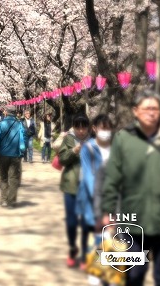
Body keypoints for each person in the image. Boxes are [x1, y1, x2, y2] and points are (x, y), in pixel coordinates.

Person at [101, 89, 160, 286]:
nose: (151, 113)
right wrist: (108, 212)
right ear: (136, 111)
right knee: (134, 275)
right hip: (133, 220)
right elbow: (112, 177)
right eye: (146, 109)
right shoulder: (124, 138)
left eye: (155, 108)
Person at [75, 114, 115, 270]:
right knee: (92, 230)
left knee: (109, 232)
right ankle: (90, 261)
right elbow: (88, 176)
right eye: (102, 128)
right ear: (94, 128)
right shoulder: (88, 147)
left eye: (108, 128)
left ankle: (105, 267)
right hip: (91, 197)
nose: (105, 131)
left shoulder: (116, 148)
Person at [58, 113, 91, 268]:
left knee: (85, 222)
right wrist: (73, 152)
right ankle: (73, 248)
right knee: (71, 222)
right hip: (71, 186)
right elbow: (62, 159)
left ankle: (84, 253)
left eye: (83, 127)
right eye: (78, 127)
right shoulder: (69, 139)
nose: (81, 130)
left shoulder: (94, 140)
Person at [0, 105, 27, 208]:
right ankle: (11, 201)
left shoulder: (1, 124)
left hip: (3, 154)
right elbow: (23, 138)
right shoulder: (19, 124)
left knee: (3, 177)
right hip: (15, 155)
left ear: (6, 112)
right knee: (14, 178)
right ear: (15, 113)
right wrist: (22, 151)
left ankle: (3, 199)